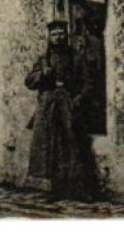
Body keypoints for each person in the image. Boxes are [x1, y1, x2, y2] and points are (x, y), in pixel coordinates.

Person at [24, 19, 100, 200]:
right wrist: (42, 74)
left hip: (68, 105)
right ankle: (55, 188)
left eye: (61, 33)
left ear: (66, 35)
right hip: (49, 107)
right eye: (54, 34)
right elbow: (28, 81)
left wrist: (78, 100)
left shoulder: (76, 57)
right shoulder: (43, 59)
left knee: (72, 145)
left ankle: (77, 189)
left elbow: (89, 83)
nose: (58, 37)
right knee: (51, 146)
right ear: (49, 37)